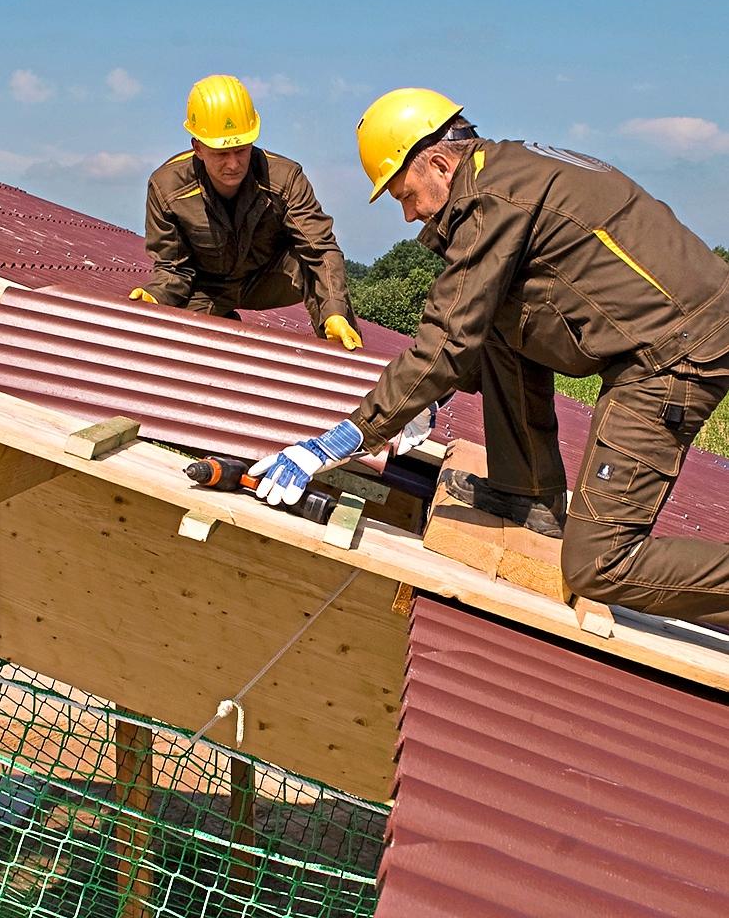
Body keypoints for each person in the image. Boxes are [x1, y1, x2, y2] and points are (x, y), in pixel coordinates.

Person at [251, 87, 729, 623]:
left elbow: (446, 340)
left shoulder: (491, 203)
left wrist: (349, 436)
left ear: (436, 162)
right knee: (498, 324)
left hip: (678, 354)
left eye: (405, 196)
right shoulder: (503, 172)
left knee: (599, 564)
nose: (409, 215)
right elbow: (472, 321)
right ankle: (526, 492)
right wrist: (423, 400)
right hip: (666, 331)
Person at [129, 74, 362, 350]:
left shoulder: (286, 178)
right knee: (174, 341)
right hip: (207, 288)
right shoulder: (166, 188)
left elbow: (321, 250)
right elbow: (173, 269)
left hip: (269, 278)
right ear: (198, 147)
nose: (233, 164)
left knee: (313, 265)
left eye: (241, 150)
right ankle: (224, 327)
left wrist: (334, 311)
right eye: (220, 154)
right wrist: (154, 297)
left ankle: (342, 347)